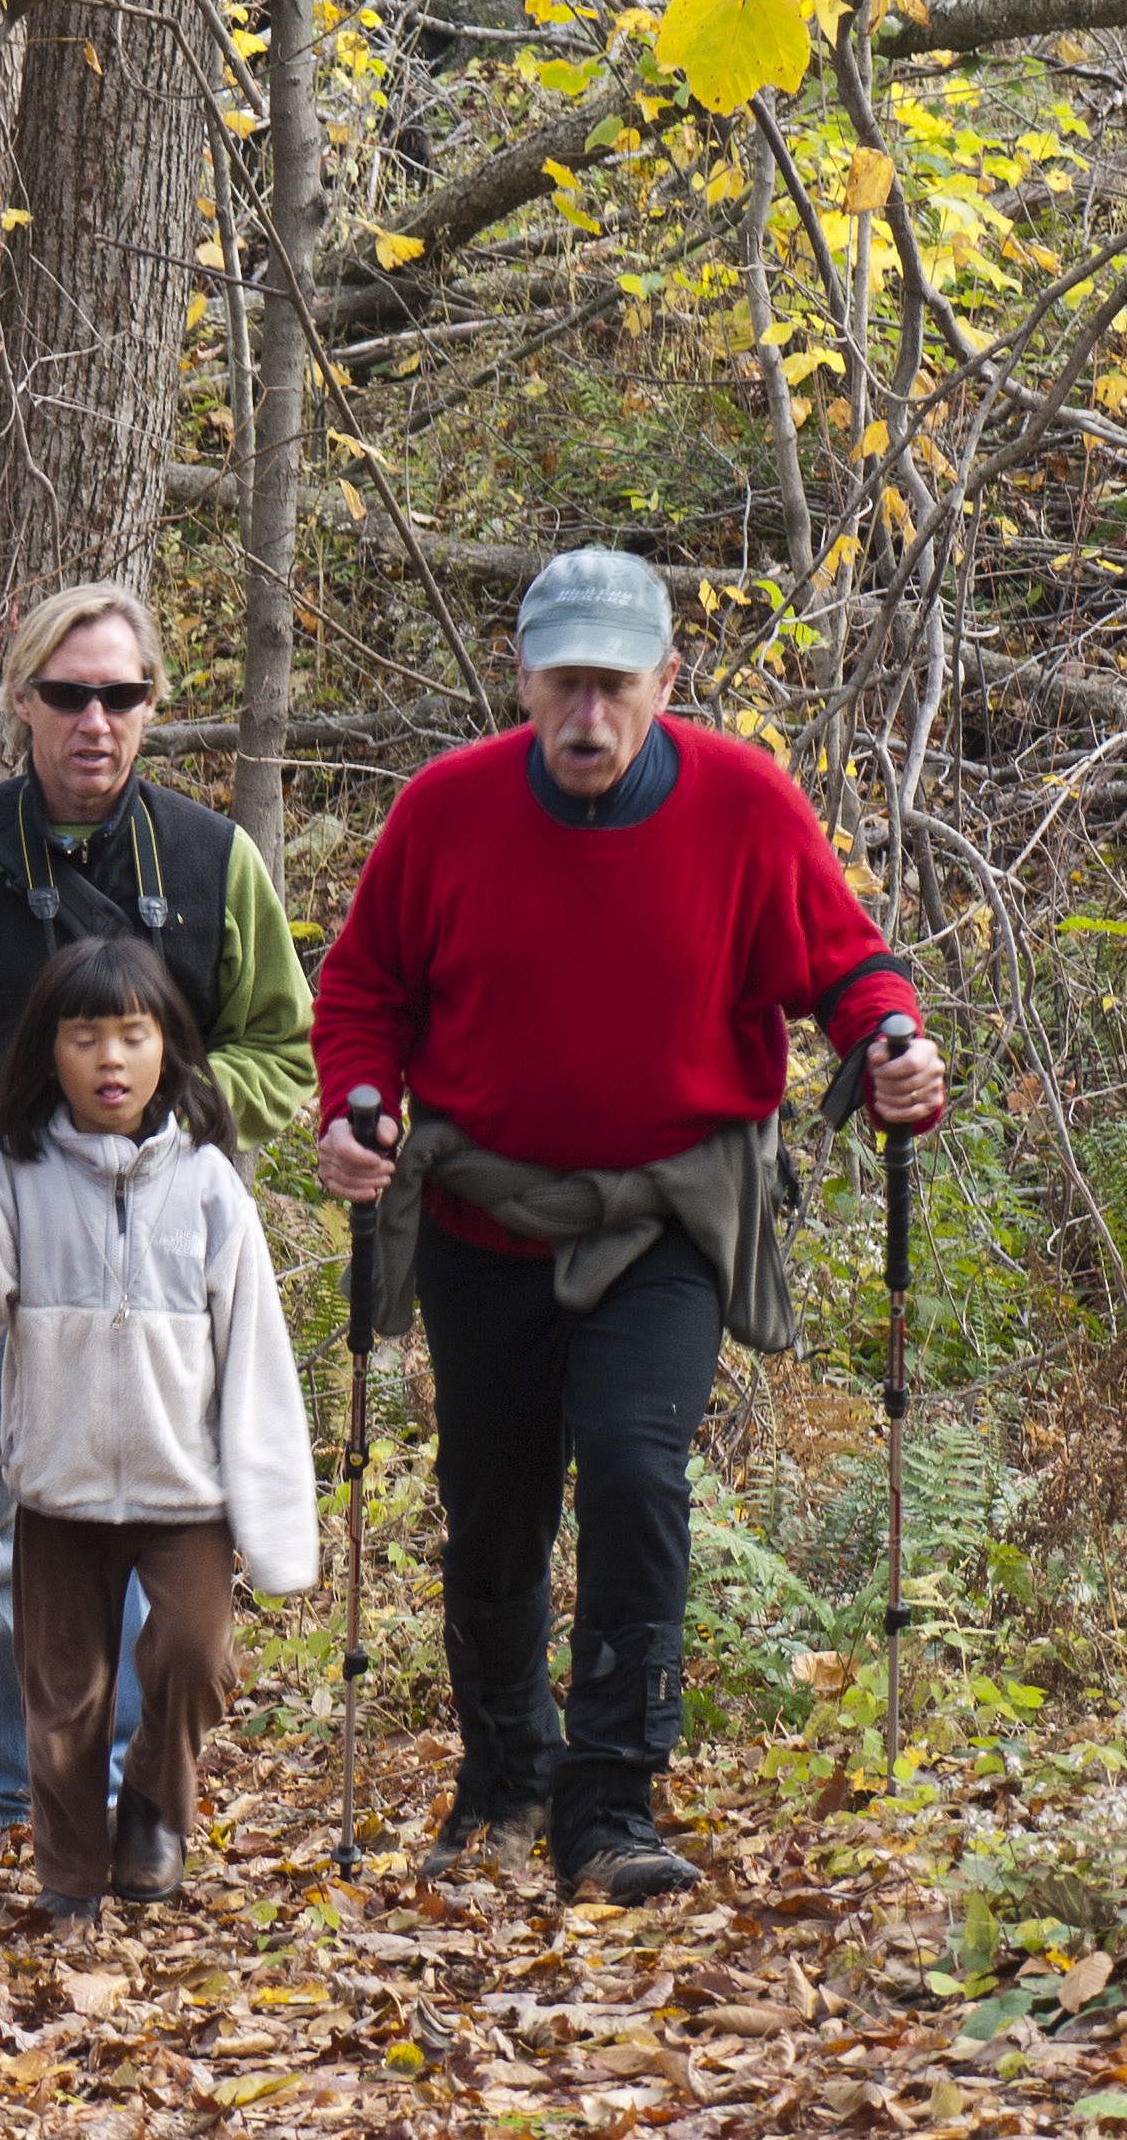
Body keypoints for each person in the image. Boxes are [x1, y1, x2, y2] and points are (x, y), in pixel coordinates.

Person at [314, 547, 950, 1902]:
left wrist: (890, 1041)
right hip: (483, 1218)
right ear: (521, 679)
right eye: (563, 686)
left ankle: (608, 1800)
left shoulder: (740, 805)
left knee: (630, 1468)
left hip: (668, 1214)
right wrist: (357, 1106)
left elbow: (843, 959)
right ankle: (503, 1772)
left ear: (666, 680)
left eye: (614, 686)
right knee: (488, 1507)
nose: (586, 717)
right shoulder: (445, 812)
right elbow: (362, 985)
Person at [0, 581, 317, 1828]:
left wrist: (164, 1124)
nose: (96, 720)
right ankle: (30, 1795)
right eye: (69, 694)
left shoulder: (210, 858)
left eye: (123, 695)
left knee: (149, 1535)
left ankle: (130, 1793)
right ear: (20, 702)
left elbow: (284, 1051)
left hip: (161, 1272)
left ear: (151, 709)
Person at [0, 936, 314, 1920]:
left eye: (133, 1036)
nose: (110, 1060)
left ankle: (156, 1804)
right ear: (49, 1052)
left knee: (197, 1657)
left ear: (169, 1050)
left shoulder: (209, 1189)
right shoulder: (3, 1179)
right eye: (85, 1039)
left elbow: (258, 1360)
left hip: (185, 1493)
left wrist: (276, 1520)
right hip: (61, 1490)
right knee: (63, 1703)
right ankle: (72, 1883)